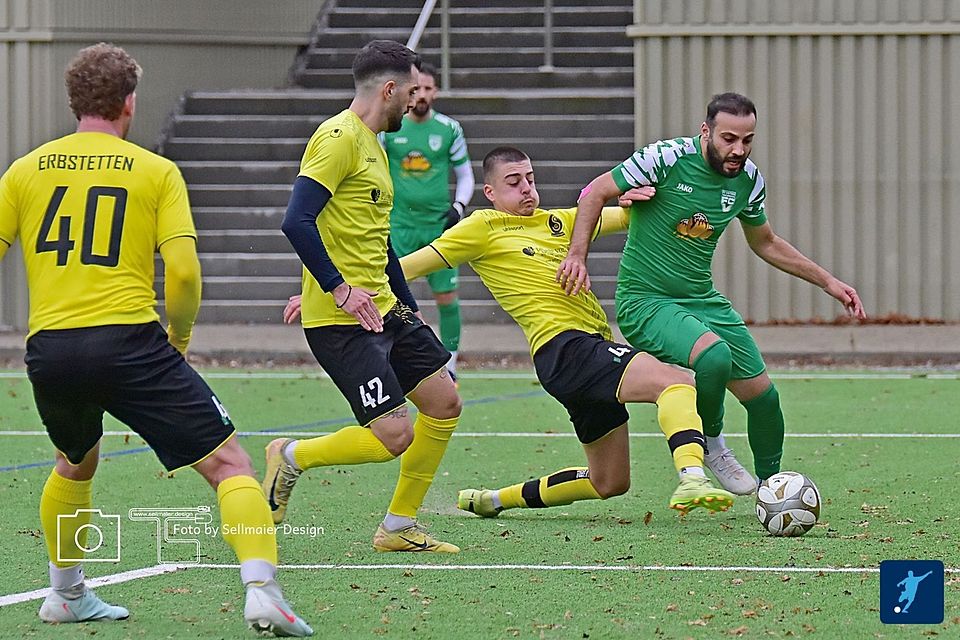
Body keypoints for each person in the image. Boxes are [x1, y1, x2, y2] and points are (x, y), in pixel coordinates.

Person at [0, 44, 311, 635]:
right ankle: (263, 591)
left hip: (51, 348)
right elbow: (185, 275)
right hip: (128, 341)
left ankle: (65, 594)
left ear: (75, 102)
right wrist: (179, 336)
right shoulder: (155, 170)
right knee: (230, 464)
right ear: (129, 102)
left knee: (74, 460)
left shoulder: (25, 169)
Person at [400, 146, 736, 517]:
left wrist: (638, 200)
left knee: (609, 481)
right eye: (514, 182)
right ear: (490, 192)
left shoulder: (558, 220)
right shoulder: (482, 227)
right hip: (565, 348)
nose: (526, 188)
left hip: (576, 356)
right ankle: (692, 477)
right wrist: (359, 288)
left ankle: (492, 500)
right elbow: (407, 268)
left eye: (530, 179)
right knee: (676, 383)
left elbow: (628, 217)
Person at [557, 92, 866, 495]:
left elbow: (766, 242)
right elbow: (594, 192)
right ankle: (711, 443)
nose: (738, 149)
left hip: (702, 300)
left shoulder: (748, 180)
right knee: (714, 355)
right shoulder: (665, 158)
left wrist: (828, 282)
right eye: (729, 139)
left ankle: (772, 490)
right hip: (646, 301)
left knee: (765, 400)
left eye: (747, 140)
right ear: (706, 131)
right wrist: (577, 255)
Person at [271, 40, 463, 553]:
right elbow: (297, 220)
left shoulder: (375, 143)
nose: (417, 100)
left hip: (385, 308)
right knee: (394, 436)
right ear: (390, 89)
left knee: (445, 402)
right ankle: (290, 456)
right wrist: (335, 288)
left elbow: (375, 239)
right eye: (413, 91)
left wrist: (410, 307)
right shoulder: (338, 138)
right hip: (344, 322)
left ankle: (398, 527)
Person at [380, 62, 473, 375]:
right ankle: (390, 359)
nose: (421, 94)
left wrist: (458, 207)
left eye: (428, 88)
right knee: (390, 295)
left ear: (436, 92)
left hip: (438, 227)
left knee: (447, 297)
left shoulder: (449, 129)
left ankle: (451, 365)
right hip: (399, 226)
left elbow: (465, 174)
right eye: (416, 88)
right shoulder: (391, 128)